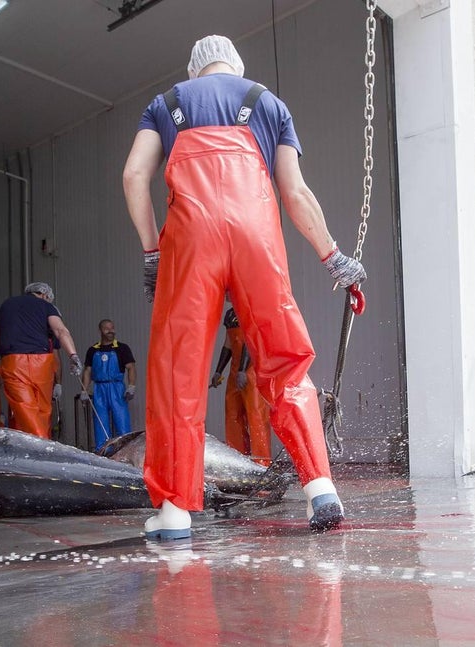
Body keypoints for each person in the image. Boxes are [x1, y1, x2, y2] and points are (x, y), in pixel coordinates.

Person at [122, 35, 367, 540]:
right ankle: (320, 487)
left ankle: (174, 512)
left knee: (179, 371)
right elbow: (295, 192)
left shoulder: (165, 104)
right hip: (257, 236)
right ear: (236, 66)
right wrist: (333, 257)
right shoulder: (267, 103)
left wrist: (152, 252)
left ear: (194, 71)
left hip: (191, 240)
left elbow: (133, 176)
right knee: (285, 359)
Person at [0, 282, 83, 439]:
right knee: (43, 410)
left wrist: (4, 356)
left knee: (25, 409)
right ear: (44, 295)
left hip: (14, 362)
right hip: (42, 362)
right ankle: (43, 443)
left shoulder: (6, 305)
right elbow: (61, 330)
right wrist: (73, 355)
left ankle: (39, 445)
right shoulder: (47, 307)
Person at [210, 307, 273, 466]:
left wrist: (243, 370)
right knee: (233, 413)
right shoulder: (231, 314)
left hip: (252, 370)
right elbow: (228, 343)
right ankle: (237, 459)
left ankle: (262, 461)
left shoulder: (252, 310)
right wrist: (218, 371)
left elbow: (251, 340)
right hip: (236, 370)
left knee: (256, 414)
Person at [78, 319, 137, 450]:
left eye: (112, 328)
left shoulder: (122, 348)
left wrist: (131, 386)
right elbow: (87, 371)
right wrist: (84, 390)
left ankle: (125, 450)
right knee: (100, 422)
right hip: (99, 388)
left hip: (117, 388)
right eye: (107, 328)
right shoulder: (92, 350)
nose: (111, 331)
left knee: (122, 421)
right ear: (100, 330)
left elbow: (131, 367)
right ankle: (103, 451)